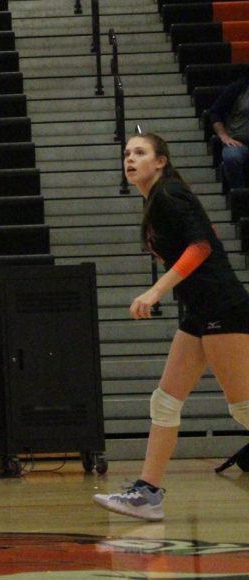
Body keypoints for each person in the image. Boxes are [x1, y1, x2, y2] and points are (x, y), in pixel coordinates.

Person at [94, 132, 249, 521]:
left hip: (222, 306)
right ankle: (147, 494)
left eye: (140, 153)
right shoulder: (156, 200)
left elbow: (202, 247)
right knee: (165, 401)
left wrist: (156, 291)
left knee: (244, 408)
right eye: (127, 153)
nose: (130, 159)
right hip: (199, 310)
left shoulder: (169, 195)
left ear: (160, 161)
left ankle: (146, 492)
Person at [208, 74, 249, 192]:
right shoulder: (238, 88)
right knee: (231, 157)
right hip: (240, 142)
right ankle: (240, 196)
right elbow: (215, 112)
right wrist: (223, 135)